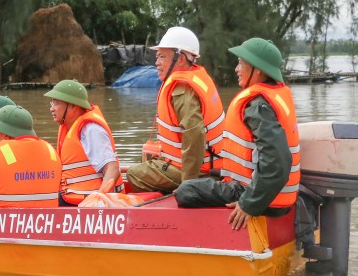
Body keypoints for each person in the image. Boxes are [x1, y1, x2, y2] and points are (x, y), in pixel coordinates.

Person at [175, 38, 301, 231]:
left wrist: (249, 203)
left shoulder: (257, 105)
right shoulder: (274, 95)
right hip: (276, 196)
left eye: (241, 63)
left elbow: (277, 163)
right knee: (204, 180)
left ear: (257, 70)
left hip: (262, 199)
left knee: (186, 190)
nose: (236, 69)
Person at [126, 27, 225, 193]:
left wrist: (189, 185)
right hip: (212, 164)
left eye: (162, 57)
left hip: (202, 172)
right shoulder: (196, 77)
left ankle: (177, 196)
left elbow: (194, 136)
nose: (157, 63)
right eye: (157, 57)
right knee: (150, 155)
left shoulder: (181, 88)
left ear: (180, 58)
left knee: (134, 174)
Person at [44, 79, 123, 205]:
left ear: (73, 105)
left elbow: (112, 169)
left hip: (88, 199)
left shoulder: (91, 130)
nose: (51, 109)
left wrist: (99, 199)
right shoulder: (70, 128)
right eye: (51, 104)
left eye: (56, 103)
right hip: (74, 195)